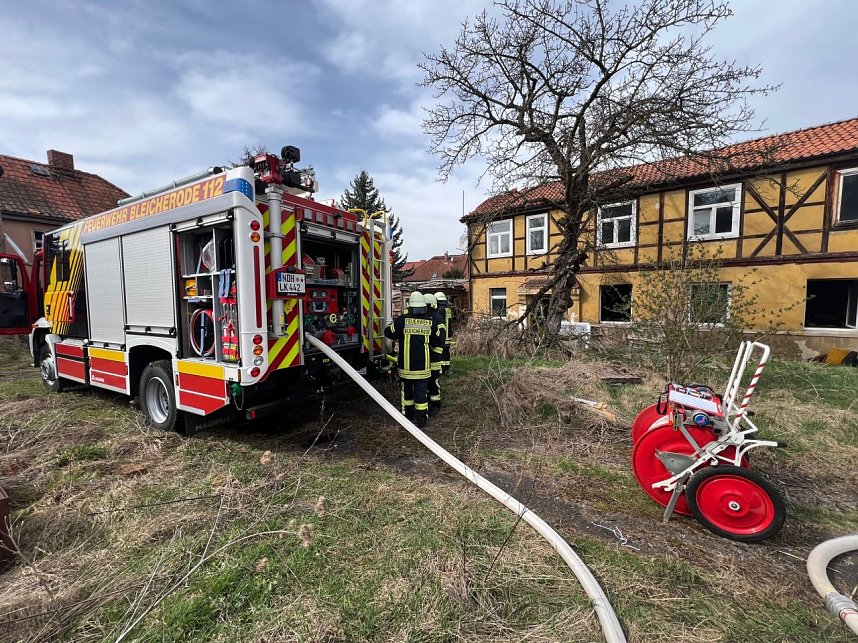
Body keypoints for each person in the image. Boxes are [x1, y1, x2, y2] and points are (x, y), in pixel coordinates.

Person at [384, 291, 434, 428]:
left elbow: (388, 333)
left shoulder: (402, 320)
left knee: (407, 392)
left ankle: (407, 417)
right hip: (423, 366)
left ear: (410, 306)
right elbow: (436, 339)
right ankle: (422, 420)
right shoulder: (430, 321)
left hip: (406, 366)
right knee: (421, 393)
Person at [423, 293, 447, 416]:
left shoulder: (436, 317)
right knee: (425, 381)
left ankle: (436, 404)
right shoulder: (426, 316)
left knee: (432, 380)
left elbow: (441, 336)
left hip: (434, 356)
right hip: (425, 355)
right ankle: (427, 402)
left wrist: (433, 346)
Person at [434, 292, 456, 374]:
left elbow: (440, 322)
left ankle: (442, 370)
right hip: (448, 335)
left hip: (443, 336)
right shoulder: (448, 309)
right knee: (446, 352)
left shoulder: (440, 310)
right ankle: (447, 368)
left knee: (442, 353)